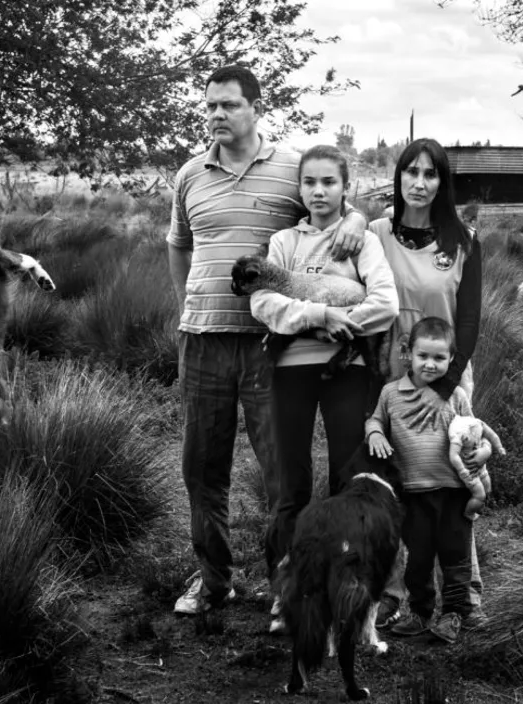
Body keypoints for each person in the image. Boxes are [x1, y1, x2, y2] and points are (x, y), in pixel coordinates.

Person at [167, 66, 368, 616]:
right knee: (201, 468)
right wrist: (188, 303)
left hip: (269, 345)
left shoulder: (288, 170)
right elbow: (179, 245)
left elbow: (330, 202)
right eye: (210, 105)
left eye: (229, 105)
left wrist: (357, 218)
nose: (217, 114)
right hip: (202, 341)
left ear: (256, 108)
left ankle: (289, 584)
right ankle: (213, 581)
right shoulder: (189, 174)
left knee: (282, 472)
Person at [249, 145, 398, 587]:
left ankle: (343, 584)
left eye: (329, 182)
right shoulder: (284, 243)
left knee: (347, 478)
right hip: (289, 370)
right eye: (309, 182)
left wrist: (342, 323)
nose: (319, 191)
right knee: (290, 483)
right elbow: (263, 302)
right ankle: (285, 590)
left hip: (347, 370)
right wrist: (318, 316)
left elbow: (386, 303)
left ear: (345, 187)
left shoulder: (362, 242)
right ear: (299, 188)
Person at [367, 137, 487, 629]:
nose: (419, 183)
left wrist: (444, 387)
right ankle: (395, 593)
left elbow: (469, 321)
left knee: (456, 480)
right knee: (399, 485)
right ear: (397, 177)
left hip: (447, 381)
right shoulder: (375, 233)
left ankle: (465, 595)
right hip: (391, 379)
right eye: (410, 172)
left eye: (430, 173)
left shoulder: (464, 241)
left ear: (442, 182)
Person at [365, 317, 490, 644]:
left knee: (455, 557)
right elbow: (374, 420)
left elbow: (475, 432)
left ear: (452, 359)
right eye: (423, 356)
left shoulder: (456, 396)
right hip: (413, 494)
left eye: (439, 358)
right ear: (408, 354)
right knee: (418, 559)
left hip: (453, 493)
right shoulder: (391, 394)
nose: (430, 364)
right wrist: (375, 433)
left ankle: (453, 614)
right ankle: (420, 612)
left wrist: (482, 453)